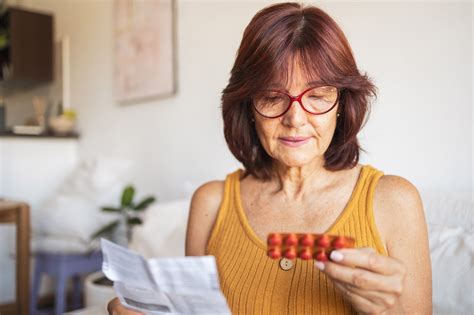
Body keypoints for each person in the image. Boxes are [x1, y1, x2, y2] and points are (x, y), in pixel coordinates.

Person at [108, 2, 432, 314]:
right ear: (248, 107)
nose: (295, 118)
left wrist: (388, 310)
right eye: (272, 97)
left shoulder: (395, 201)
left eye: (317, 96)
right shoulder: (209, 204)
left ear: (342, 104)